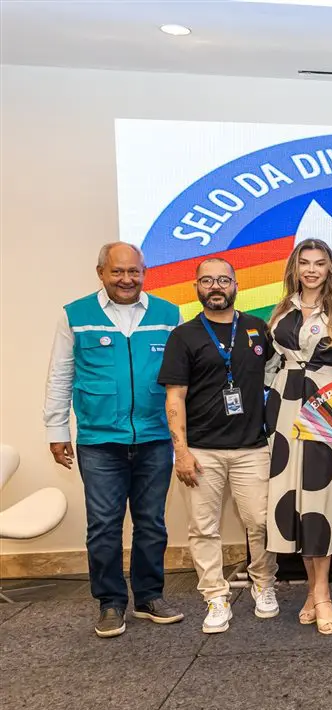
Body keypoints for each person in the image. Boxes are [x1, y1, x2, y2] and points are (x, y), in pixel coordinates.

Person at [43, 242, 185, 638]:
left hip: (155, 437)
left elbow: (181, 380)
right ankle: (109, 602)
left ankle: (149, 596)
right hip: (99, 440)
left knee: (151, 523)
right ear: (101, 272)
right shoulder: (75, 315)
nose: (126, 280)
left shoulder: (168, 314)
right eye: (117, 272)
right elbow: (60, 375)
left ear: (144, 272)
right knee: (104, 525)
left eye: (134, 272)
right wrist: (56, 430)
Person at [159, 258, 279, 633]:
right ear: (196, 286)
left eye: (223, 280)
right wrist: (181, 451)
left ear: (235, 285)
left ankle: (264, 584)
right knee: (203, 528)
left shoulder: (258, 328)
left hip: (252, 447)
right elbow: (174, 397)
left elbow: (279, 378)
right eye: (207, 280)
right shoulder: (185, 336)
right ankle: (215, 596)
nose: (216, 287)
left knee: (260, 522)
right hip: (202, 450)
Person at [264, 238, 332, 636]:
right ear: (295, 267)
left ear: (330, 268)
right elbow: (271, 367)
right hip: (285, 410)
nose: (311, 269)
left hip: (328, 407)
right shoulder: (281, 311)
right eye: (304, 262)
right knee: (294, 501)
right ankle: (314, 591)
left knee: (320, 502)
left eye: (319, 263)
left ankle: (321, 594)